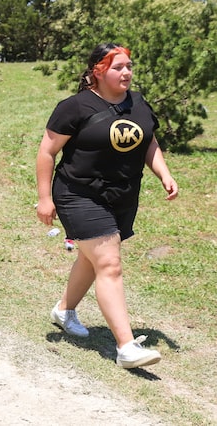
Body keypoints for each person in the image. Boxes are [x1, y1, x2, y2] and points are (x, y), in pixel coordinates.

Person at [36, 42, 178, 369]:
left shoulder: (138, 103)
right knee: (109, 263)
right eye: (118, 67)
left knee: (93, 259)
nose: (126, 72)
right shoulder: (75, 107)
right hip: (79, 193)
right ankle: (126, 347)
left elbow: (148, 140)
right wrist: (45, 198)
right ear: (98, 71)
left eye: (129, 66)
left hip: (122, 196)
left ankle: (64, 310)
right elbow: (47, 152)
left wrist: (164, 173)